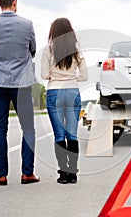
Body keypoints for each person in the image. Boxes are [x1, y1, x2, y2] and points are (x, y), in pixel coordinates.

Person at [0, 0, 39, 185]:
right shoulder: (27, 24)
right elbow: (32, 49)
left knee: (0, 129)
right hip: (21, 83)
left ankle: (1, 175)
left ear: (0, 3)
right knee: (28, 128)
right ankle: (27, 173)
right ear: (15, 2)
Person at [41, 18, 88, 184]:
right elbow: (85, 75)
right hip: (72, 92)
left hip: (54, 92)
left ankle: (63, 173)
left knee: (59, 135)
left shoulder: (48, 49)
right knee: (72, 134)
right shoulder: (76, 50)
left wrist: (56, 76)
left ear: (53, 32)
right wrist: (71, 77)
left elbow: (44, 75)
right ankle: (73, 173)